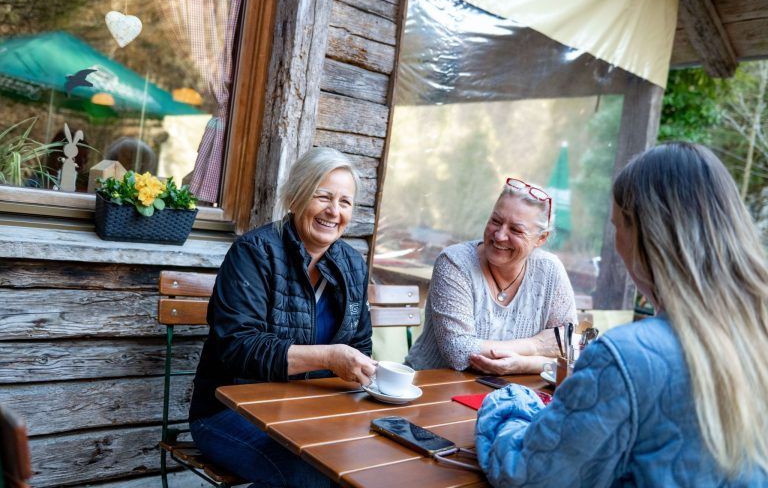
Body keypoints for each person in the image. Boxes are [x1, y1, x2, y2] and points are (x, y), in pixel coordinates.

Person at [476, 142, 768, 486]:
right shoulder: (755, 335)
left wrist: (508, 402)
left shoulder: (625, 356)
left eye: (617, 226)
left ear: (645, 235)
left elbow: (526, 473)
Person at [189, 147, 377, 487]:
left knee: (371, 464)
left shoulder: (352, 264)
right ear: (295, 198)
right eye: (323, 197)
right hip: (230, 412)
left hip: (312, 414)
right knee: (319, 475)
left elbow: (360, 343)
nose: (334, 212)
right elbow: (238, 347)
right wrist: (329, 357)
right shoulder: (254, 253)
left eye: (345, 202)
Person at [405, 178, 576, 374]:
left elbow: (567, 348)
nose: (500, 235)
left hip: (509, 392)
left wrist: (525, 364)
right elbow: (459, 351)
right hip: (433, 389)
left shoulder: (550, 270)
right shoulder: (455, 262)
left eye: (516, 230)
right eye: (496, 221)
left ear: (541, 238)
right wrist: (537, 346)